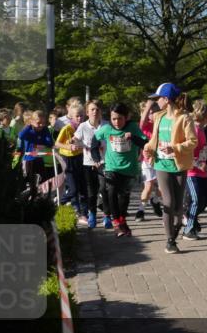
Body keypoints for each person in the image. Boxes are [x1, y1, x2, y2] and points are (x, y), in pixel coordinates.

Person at [143, 83, 196, 254]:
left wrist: (175, 148)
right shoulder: (159, 116)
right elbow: (155, 140)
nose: (156, 101)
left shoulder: (184, 118)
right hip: (161, 164)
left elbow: (193, 141)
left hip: (178, 165)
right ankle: (170, 240)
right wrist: (148, 148)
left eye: (158, 98)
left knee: (178, 206)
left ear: (166, 99)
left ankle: (174, 233)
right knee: (168, 202)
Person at [92, 103, 148, 238]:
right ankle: (116, 222)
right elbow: (94, 141)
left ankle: (122, 222)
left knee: (124, 197)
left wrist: (133, 138)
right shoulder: (106, 129)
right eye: (113, 119)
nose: (117, 122)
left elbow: (145, 144)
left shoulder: (133, 127)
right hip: (111, 167)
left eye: (120, 119)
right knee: (111, 191)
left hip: (129, 168)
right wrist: (96, 158)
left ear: (126, 117)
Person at [76, 99, 109, 229]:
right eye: (92, 109)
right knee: (91, 192)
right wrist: (73, 142)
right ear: (87, 112)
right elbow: (76, 139)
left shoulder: (106, 125)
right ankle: (92, 215)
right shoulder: (83, 126)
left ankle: (107, 216)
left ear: (101, 111)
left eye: (97, 109)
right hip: (88, 163)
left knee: (104, 189)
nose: (95, 112)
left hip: (104, 162)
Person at [183, 99, 207, 241]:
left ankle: (190, 218)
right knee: (195, 200)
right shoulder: (193, 129)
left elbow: (203, 150)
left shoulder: (201, 130)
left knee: (206, 199)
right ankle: (188, 229)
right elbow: (187, 151)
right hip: (192, 171)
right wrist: (196, 163)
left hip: (202, 172)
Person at [56, 102, 89, 224]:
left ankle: (84, 214)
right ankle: (59, 202)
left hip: (82, 158)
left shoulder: (85, 127)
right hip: (69, 159)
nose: (79, 118)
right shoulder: (67, 128)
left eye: (81, 115)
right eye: (77, 116)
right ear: (71, 117)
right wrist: (69, 147)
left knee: (84, 188)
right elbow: (57, 144)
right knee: (73, 189)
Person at [135, 99, 163, 222]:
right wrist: (148, 106)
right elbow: (141, 122)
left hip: (160, 159)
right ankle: (141, 210)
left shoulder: (161, 123)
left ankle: (155, 201)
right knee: (149, 186)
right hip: (147, 160)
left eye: (154, 112)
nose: (152, 115)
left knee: (162, 187)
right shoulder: (145, 125)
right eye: (149, 113)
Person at [17, 110, 53, 196]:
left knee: (42, 178)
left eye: (43, 123)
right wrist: (29, 126)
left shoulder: (44, 129)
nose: (41, 125)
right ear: (32, 121)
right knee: (30, 180)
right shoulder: (29, 130)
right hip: (28, 159)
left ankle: (40, 196)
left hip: (39, 158)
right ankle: (29, 195)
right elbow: (20, 136)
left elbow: (50, 142)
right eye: (38, 122)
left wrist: (41, 143)